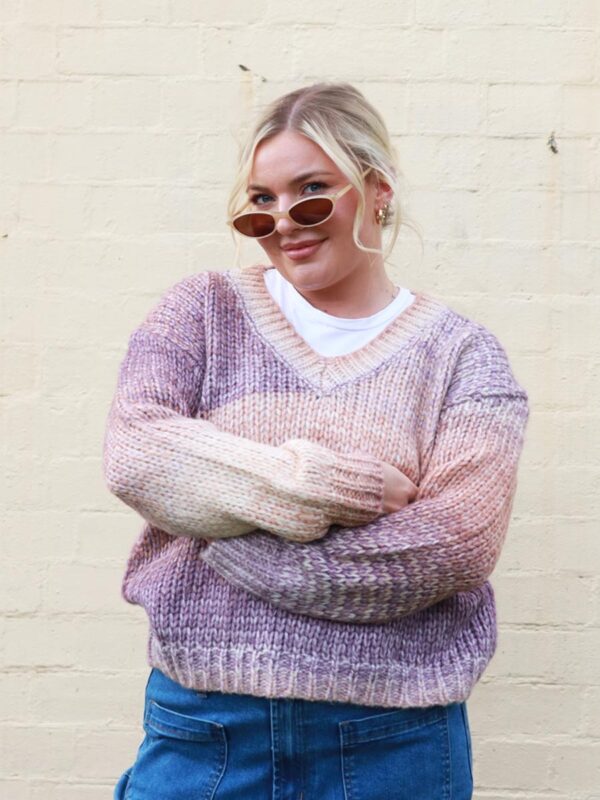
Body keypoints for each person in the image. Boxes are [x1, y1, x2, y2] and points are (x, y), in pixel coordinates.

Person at [104, 82, 529, 800]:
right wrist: (332, 489)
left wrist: (234, 539)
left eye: (311, 192)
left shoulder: (463, 356)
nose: (285, 223)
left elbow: (457, 541)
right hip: (205, 734)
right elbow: (138, 455)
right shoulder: (201, 314)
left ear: (378, 190)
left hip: (390, 746)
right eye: (261, 203)